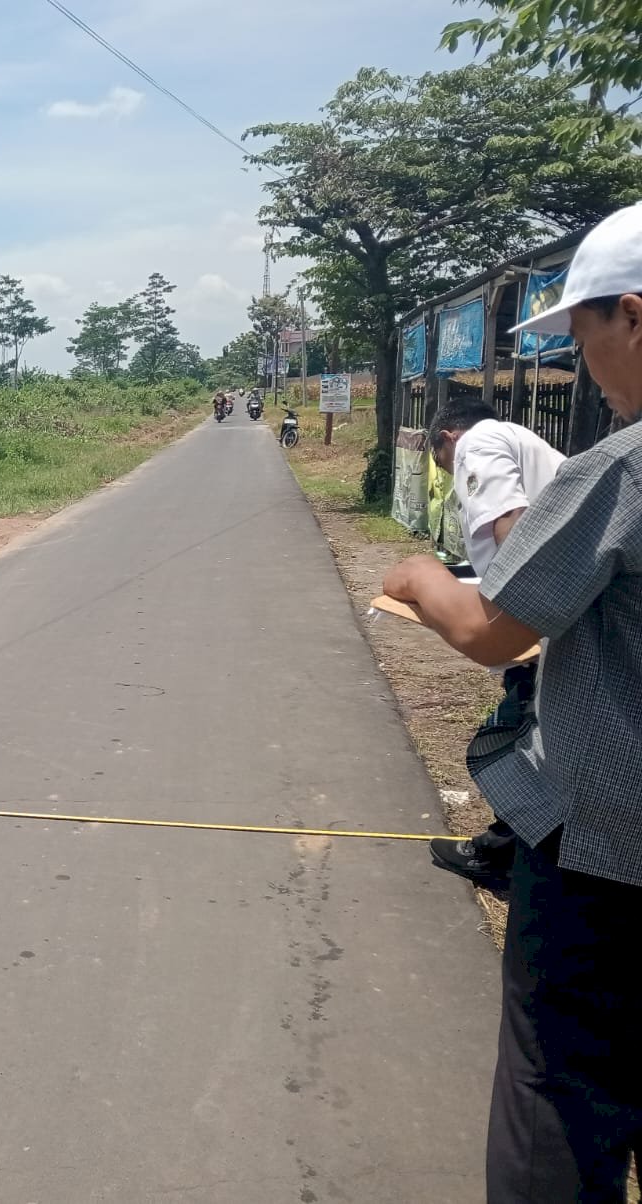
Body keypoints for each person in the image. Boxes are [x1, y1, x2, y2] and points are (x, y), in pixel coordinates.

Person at [381, 201, 642, 1201]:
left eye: (582, 342)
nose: (586, 370)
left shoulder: (618, 470)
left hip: (606, 864)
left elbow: (499, 627)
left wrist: (415, 577)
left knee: (558, 1100)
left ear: (631, 315)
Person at [423, 398, 565, 888]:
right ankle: (511, 848)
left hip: (540, 629)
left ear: (447, 438)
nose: (449, 472)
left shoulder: (477, 443)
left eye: (442, 461)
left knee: (510, 743)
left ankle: (507, 856)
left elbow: (516, 536)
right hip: (557, 622)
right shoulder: (528, 446)